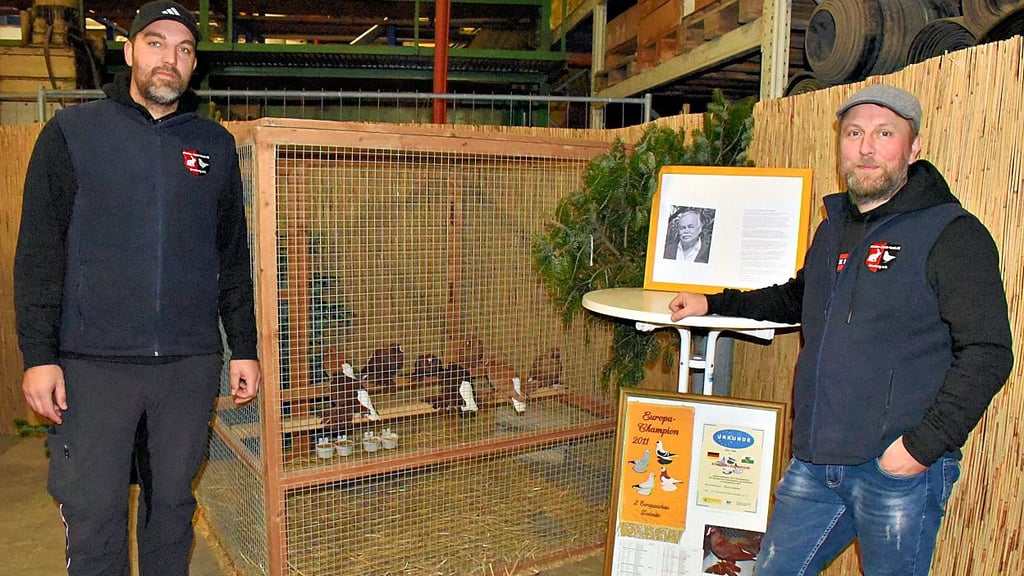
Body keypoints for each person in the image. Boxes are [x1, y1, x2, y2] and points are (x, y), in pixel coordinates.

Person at [668, 84, 1013, 575]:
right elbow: (798, 296)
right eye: (854, 133)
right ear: (841, 144)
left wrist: (920, 448)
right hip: (816, 464)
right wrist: (712, 302)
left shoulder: (952, 234)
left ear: (914, 148)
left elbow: (989, 352)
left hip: (896, 473)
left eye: (884, 133)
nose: (866, 147)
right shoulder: (834, 229)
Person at [14, 2, 261, 574]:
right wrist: (39, 356)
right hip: (93, 367)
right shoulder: (73, 134)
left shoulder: (214, 147)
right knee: (95, 511)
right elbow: (39, 254)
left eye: (183, 49)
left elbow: (231, 256)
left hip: (187, 366)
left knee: (172, 507)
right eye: (155, 43)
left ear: (193, 64)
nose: (168, 59)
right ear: (128, 52)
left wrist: (242, 345)